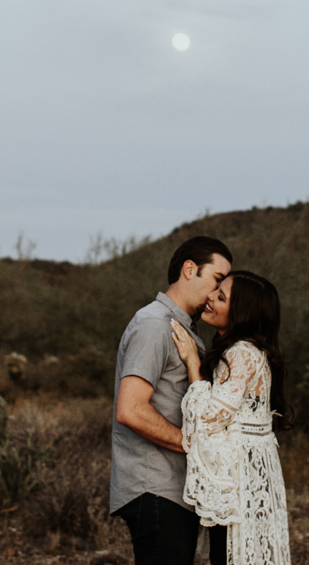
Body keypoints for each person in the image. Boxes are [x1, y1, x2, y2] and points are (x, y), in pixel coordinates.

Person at [111, 236, 233, 565]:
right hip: (155, 488)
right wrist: (193, 444)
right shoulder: (154, 325)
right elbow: (130, 409)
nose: (216, 294)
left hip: (172, 490)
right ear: (189, 269)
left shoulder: (182, 329)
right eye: (217, 280)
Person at [169, 271, 293, 565]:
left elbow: (209, 420)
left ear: (241, 315)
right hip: (248, 472)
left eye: (221, 297)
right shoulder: (248, 351)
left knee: (230, 556)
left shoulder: (243, 354)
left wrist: (193, 365)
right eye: (216, 290)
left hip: (239, 478)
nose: (210, 297)